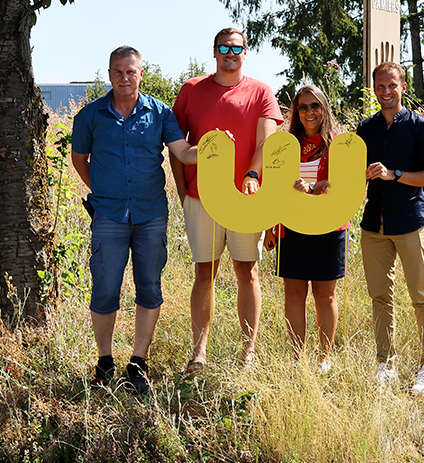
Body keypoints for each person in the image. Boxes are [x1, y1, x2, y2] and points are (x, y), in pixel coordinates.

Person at [70, 46, 197, 394]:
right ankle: (105, 361)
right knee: (105, 287)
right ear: (109, 74)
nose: (124, 78)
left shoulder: (160, 113)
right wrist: (101, 190)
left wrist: (211, 150)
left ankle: (138, 362)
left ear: (141, 73)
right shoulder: (90, 116)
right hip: (108, 215)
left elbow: (182, 151)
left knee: (149, 286)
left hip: (150, 214)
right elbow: (79, 158)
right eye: (118, 72)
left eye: (130, 71)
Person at [170, 28, 283, 373]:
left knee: (247, 271)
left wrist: (252, 175)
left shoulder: (261, 91)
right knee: (204, 272)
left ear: (245, 53)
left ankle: (248, 352)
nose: (229, 53)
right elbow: (175, 143)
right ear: (214, 52)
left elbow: (267, 142)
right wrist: (182, 190)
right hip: (201, 198)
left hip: (246, 199)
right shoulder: (191, 90)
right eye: (223, 47)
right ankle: (199, 353)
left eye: (236, 48)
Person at [356, 61, 424, 394]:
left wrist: (395, 174)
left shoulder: (421, 126)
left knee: (421, 296)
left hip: (410, 223)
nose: (386, 91)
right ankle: (386, 364)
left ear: (403, 87)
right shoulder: (366, 129)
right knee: (380, 298)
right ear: (374, 89)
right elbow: (352, 176)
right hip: (373, 225)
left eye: (392, 85)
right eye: (380, 86)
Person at [266, 85, 344, 371]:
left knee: (325, 295)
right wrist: (270, 227)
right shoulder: (285, 146)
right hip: (292, 227)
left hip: (329, 226)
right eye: (302, 107)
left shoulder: (338, 144)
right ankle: (298, 358)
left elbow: (343, 185)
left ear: (324, 109)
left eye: (315, 106)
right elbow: (274, 189)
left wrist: (312, 188)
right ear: (295, 112)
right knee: (294, 295)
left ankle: (325, 358)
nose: (309, 112)